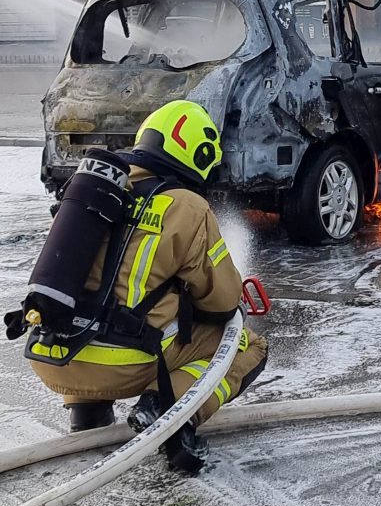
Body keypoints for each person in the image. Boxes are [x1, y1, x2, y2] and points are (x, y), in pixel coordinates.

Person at [23, 101, 268, 473]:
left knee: (98, 311)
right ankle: (171, 411)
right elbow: (221, 302)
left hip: (54, 356)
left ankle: (86, 411)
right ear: (198, 155)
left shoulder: (95, 189)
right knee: (246, 345)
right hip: (124, 365)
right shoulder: (188, 206)